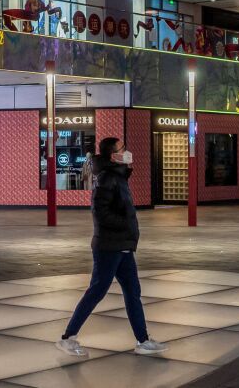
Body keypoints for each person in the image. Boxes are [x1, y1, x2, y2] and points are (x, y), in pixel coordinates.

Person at [56, 137, 168, 358]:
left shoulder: (117, 176)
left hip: (123, 246)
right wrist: (125, 225)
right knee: (97, 291)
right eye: (122, 149)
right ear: (112, 155)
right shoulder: (107, 178)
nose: (126, 151)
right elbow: (100, 212)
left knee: (133, 292)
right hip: (109, 246)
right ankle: (68, 338)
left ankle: (143, 340)